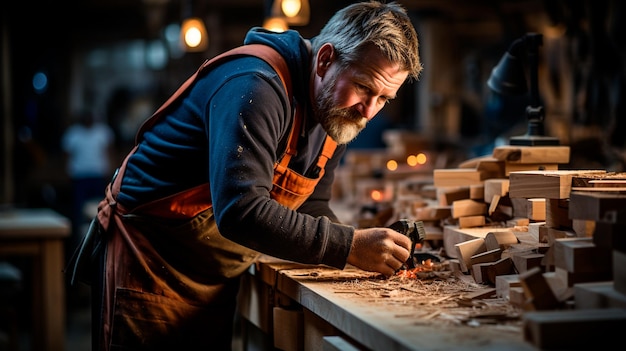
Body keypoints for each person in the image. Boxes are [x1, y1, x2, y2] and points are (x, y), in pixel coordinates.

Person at [68, 1, 423, 350]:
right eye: (364, 87)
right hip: (151, 264)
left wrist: (357, 248)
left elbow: (310, 205)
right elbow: (241, 211)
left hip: (210, 276)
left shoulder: (336, 112)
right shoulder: (256, 85)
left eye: (384, 99)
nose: (369, 111)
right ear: (326, 59)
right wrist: (347, 246)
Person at [61, 110, 115, 254]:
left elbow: (108, 151)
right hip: (80, 177)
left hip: (97, 175)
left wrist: (109, 169)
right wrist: (67, 172)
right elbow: (67, 155)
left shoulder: (103, 132)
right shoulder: (73, 133)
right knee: (78, 212)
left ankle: (98, 240)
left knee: (99, 209)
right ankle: (78, 245)